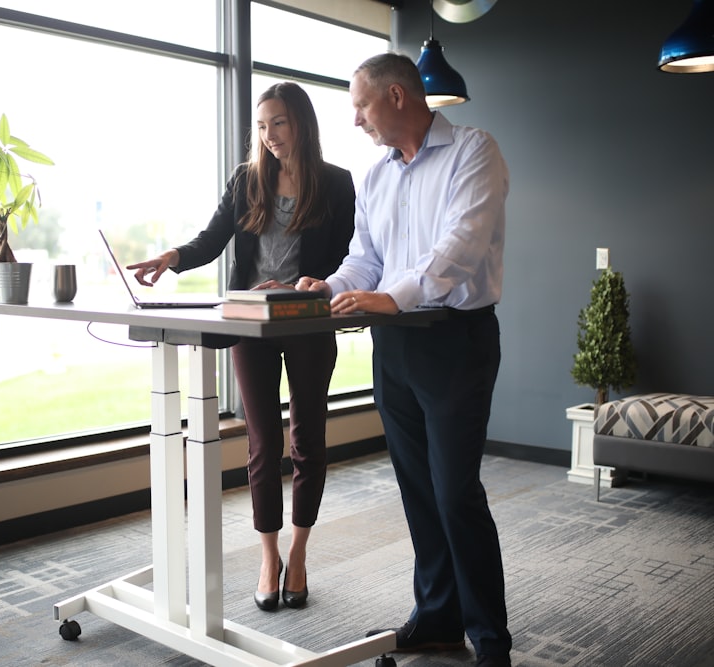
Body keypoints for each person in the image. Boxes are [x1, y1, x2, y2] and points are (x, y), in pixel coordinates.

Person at [296, 53, 512, 666]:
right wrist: (331, 286)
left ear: (396, 96)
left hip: (455, 339)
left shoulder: (475, 150)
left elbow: (459, 250)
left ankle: (490, 638)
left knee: (454, 493)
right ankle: (438, 615)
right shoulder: (375, 177)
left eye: (360, 105)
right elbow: (366, 260)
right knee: (417, 489)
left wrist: (389, 295)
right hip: (392, 345)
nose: (356, 120)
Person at [127, 82, 355, 612]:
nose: (269, 135)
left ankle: (298, 552)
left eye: (278, 123)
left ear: (300, 123)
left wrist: (309, 282)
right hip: (250, 325)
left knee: (308, 441)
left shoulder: (337, 184)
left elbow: (350, 255)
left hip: (306, 323)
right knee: (261, 444)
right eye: (261, 125)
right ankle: (268, 556)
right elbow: (211, 241)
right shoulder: (246, 179)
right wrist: (172, 257)